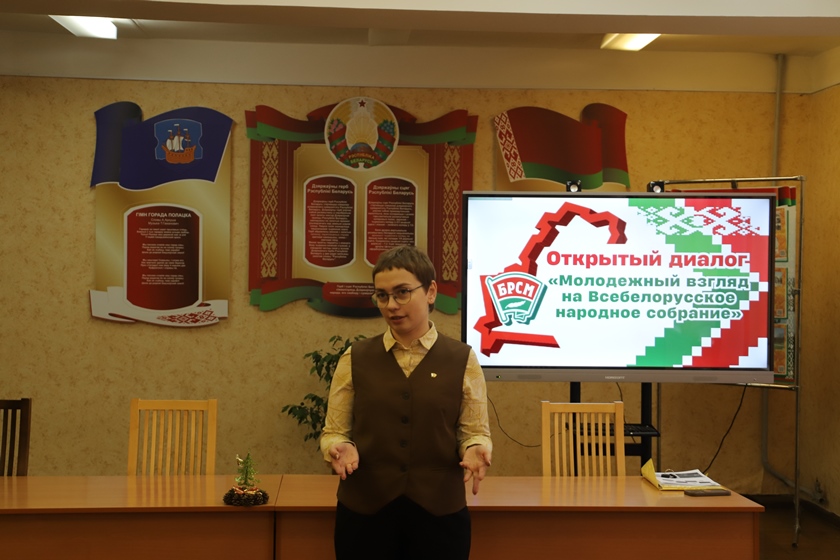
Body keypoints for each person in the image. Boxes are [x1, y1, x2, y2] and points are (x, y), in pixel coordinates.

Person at [320, 245, 493, 560]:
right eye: (382, 295)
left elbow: (474, 432)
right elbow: (334, 431)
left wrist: (475, 447)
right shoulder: (354, 357)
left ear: (431, 292)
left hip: (439, 516)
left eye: (402, 293)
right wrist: (337, 445)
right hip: (365, 515)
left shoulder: (463, 359)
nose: (391, 305)